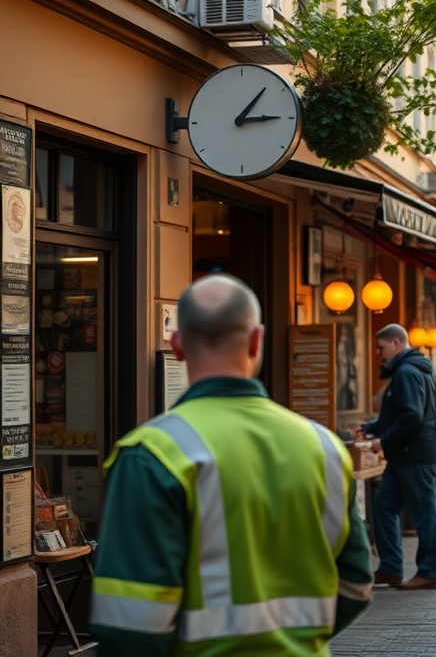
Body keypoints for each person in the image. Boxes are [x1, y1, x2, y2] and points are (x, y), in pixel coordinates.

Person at [90, 275, 373, 655]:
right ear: (257, 340)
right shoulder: (324, 447)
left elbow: (129, 625)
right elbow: (355, 584)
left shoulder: (152, 454)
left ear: (176, 346)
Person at [361, 324, 436, 590]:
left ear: (396, 344)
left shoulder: (408, 372)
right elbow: (401, 413)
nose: (379, 353)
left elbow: (411, 416)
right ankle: (391, 568)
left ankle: (429, 572)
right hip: (407, 455)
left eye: (381, 347)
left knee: (423, 514)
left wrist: (382, 441)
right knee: (383, 505)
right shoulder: (412, 370)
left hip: (416, 454)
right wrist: (371, 427)